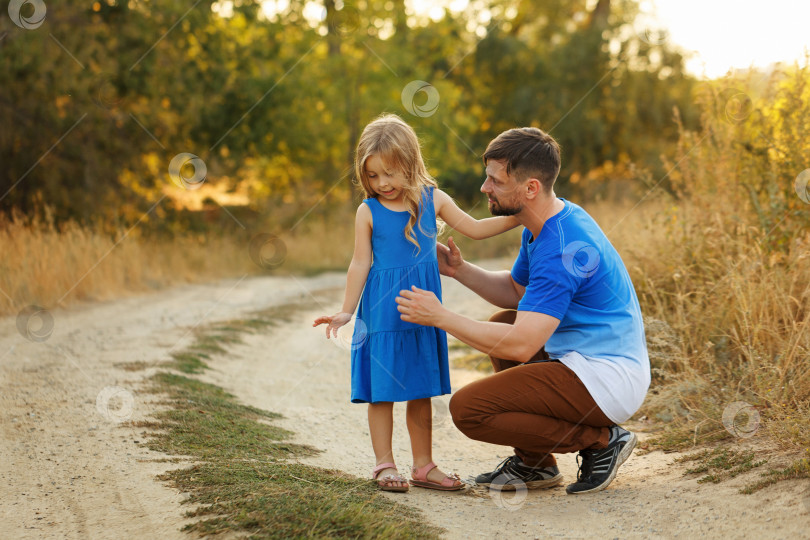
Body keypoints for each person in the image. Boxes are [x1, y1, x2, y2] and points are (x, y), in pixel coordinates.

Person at [395, 127, 650, 495]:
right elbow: (516, 292)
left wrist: (441, 317)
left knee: (469, 410)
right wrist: (459, 270)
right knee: (504, 321)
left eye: (495, 181)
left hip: (607, 379)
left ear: (530, 188)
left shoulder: (563, 247)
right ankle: (537, 464)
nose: (485, 188)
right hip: (588, 362)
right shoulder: (548, 222)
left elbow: (520, 346)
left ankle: (601, 440)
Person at [313, 114, 519, 492]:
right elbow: (360, 262)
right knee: (382, 392)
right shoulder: (368, 211)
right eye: (373, 176)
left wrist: (519, 216)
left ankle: (423, 466)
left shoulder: (433, 199)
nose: (382, 183)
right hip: (381, 313)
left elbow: (473, 228)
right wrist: (346, 309)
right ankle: (384, 465)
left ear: (410, 163)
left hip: (424, 311)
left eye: (390, 173)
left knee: (420, 389)